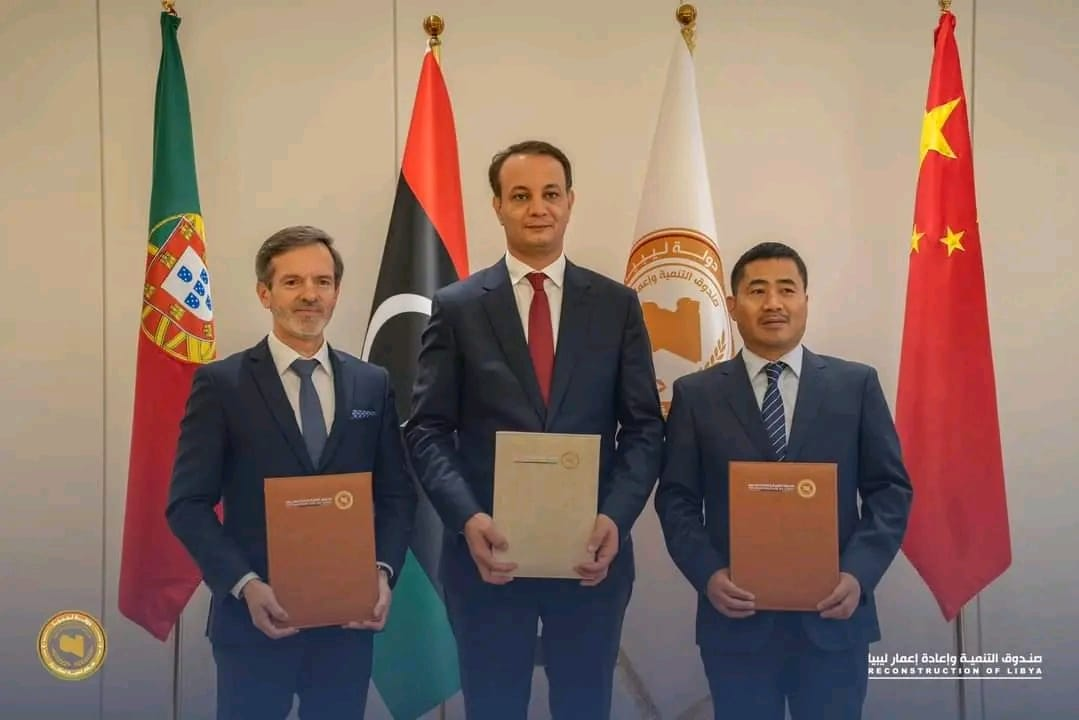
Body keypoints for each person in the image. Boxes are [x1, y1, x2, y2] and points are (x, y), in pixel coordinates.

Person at [404, 140, 664, 719]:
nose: (538, 208)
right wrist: (467, 518)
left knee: (585, 707)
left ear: (570, 202)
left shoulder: (617, 305)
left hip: (591, 556)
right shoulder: (457, 306)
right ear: (497, 206)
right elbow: (426, 430)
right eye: (520, 196)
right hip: (487, 558)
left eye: (550, 194)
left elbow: (645, 429)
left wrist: (615, 517)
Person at [166, 225, 417, 720]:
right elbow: (187, 504)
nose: (310, 295)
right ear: (265, 293)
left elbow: (396, 495)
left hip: (346, 628)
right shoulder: (222, 385)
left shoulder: (372, 383)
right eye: (292, 282)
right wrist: (244, 584)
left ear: (337, 292)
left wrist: (383, 573)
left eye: (322, 282)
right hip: (254, 623)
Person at [654, 241, 913, 720]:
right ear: (732, 306)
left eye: (786, 290)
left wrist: (858, 574)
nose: (773, 303)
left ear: (805, 302)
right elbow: (677, 500)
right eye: (757, 291)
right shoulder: (697, 395)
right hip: (737, 623)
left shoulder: (855, 385)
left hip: (834, 618)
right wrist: (709, 575)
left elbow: (890, 492)